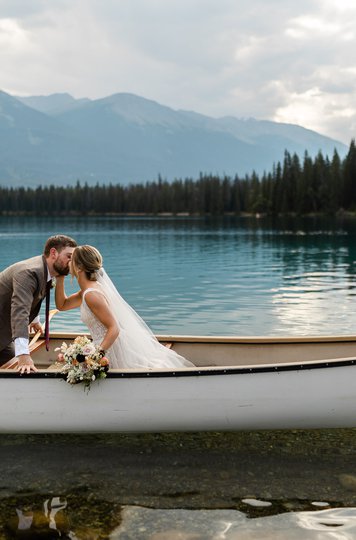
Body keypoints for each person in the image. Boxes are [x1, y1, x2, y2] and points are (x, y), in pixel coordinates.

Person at [55, 245, 194, 369]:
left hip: (110, 348)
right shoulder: (85, 292)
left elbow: (114, 328)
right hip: (101, 345)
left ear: (79, 267)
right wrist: (60, 277)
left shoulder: (92, 295)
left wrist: (96, 355)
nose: (68, 262)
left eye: (71, 259)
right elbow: (62, 305)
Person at [0, 235, 77, 374]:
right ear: (53, 253)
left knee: (12, 357)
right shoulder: (28, 272)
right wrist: (23, 355)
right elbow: (20, 311)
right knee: (18, 358)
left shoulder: (45, 270)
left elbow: (33, 296)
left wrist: (35, 320)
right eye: (69, 256)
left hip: (3, 332)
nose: (72, 262)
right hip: (4, 327)